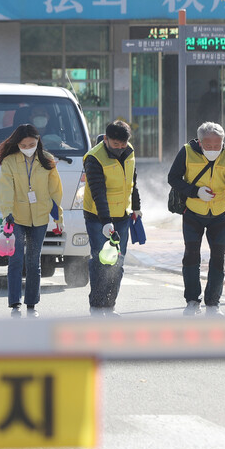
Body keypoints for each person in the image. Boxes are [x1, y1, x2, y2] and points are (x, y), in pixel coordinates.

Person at [167, 121, 225, 316]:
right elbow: (173, 178)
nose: (214, 149)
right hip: (193, 213)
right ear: (200, 143)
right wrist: (195, 191)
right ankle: (192, 301)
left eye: (218, 145)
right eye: (209, 146)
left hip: (220, 216)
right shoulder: (186, 152)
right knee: (191, 256)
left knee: (218, 259)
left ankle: (213, 303)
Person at [0, 124, 64, 318]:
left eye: (32, 144)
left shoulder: (48, 160)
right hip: (16, 216)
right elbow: (6, 189)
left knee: (34, 261)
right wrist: (7, 212)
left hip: (40, 216)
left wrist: (58, 215)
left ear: (38, 142)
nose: (28, 147)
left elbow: (55, 190)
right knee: (16, 259)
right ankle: (15, 301)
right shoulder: (9, 162)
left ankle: (32, 303)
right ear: (17, 144)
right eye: (24, 144)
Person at [82, 120, 142, 317]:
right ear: (106, 139)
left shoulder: (130, 152)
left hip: (122, 216)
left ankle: (109, 305)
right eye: (116, 145)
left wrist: (136, 207)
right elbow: (98, 192)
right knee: (101, 260)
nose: (120, 148)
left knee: (117, 262)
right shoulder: (94, 158)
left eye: (123, 145)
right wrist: (106, 221)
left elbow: (132, 181)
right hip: (97, 217)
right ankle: (97, 306)